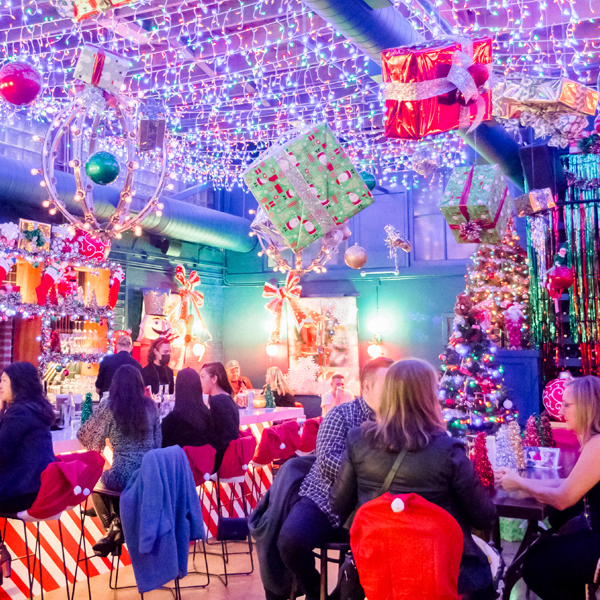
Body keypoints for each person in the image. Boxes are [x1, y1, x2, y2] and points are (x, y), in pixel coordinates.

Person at [331, 359, 496, 600]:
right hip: (440, 576)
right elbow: (483, 517)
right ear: (428, 397)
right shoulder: (449, 451)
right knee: (488, 572)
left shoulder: (358, 440)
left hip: (378, 574)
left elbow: (338, 505)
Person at [276, 357, 393, 600]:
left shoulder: (398, 419)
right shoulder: (341, 415)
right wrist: (372, 476)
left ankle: (344, 592)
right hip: (324, 498)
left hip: (374, 506)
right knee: (290, 542)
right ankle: (315, 591)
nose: (395, 389)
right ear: (367, 386)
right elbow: (328, 460)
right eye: (389, 383)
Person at [496, 375, 600, 600]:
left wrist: (519, 483)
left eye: (567, 405)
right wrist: (519, 480)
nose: (560, 411)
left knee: (535, 566)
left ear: (586, 407)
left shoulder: (598, 445)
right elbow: (566, 482)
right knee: (548, 536)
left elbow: (562, 498)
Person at [77, 365, 161, 556]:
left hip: (122, 477)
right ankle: (116, 526)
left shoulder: (109, 405)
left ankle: (113, 530)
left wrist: (104, 438)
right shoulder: (151, 406)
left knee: (94, 482)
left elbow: (86, 437)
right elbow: (157, 444)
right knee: (111, 479)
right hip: (148, 476)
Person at [0, 362, 56, 514]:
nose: (0, 386)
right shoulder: (35, 408)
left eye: (4, 380)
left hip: (18, 492)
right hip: (36, 489)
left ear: (18, 383)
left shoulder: (20, 412)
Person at [161, 367, 215, 450]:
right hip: (204, 458)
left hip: (179, 458)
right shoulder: (207, 416)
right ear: (198, 387)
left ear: (178, 388)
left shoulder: (171, 421)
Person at [200, 362, 239, 471]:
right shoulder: (227, 398)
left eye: (203, 377)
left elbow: (223, 437)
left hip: (219, 460)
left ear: (214, 379)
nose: (200, 381)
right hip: (230, 457)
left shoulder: (217, 401)